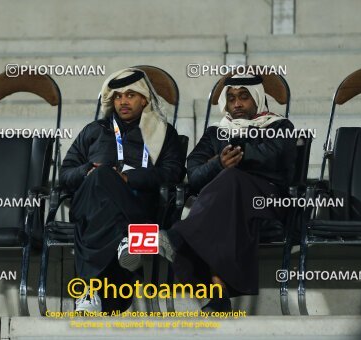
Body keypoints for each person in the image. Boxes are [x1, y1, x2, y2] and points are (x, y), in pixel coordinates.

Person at [120, 73, 297, 312]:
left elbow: (273, 156)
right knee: (225, 190)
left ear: (257, 98)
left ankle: (176, 237)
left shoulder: (280, 126)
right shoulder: (216, 132)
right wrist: (218, 164)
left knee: (230, 179)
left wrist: (237, 153)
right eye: (231, 98)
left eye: (244, 97)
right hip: (225, 208)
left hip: (266, 203)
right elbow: (194, 173)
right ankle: (218, 298)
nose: (236, 104)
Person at [59, 67, 185, 312]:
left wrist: (129, 179)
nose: (123, 101)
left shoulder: (162, 133)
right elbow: (65, 175)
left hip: (131, 205)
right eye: (118, 96)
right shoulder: (94, 131)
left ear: (144, 99)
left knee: (102, 213)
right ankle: (135, 235)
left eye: (130, 95)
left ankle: (88, 291)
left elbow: (173, 173)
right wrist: (87, 170)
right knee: (102, 175)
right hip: (88, 201)